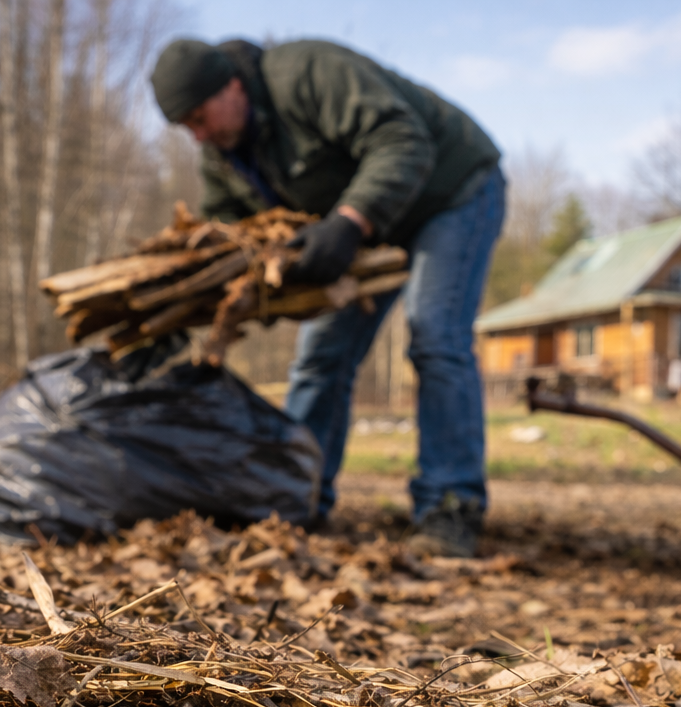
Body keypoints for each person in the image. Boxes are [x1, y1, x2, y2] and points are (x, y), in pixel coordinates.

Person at [150, 37, 504, 557]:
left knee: (435, 333)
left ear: (231, 85)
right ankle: (297, 497)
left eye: (201, 118)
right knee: (320, 356)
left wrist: (348, 222)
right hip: (367, 227)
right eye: (188, 128)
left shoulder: (307, 72)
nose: (200, 136)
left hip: (449, 194)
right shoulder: (222, 157)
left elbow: (403, 140)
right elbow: (232, 232)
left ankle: (450, 507)